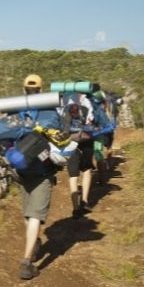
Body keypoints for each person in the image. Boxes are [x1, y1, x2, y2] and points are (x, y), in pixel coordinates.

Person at [13, 73, 61, 280]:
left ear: (24, 90)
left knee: (28, 213)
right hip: (42, 170)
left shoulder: (15, 111)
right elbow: (60, 139)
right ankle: (26, 262)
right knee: (35, 216)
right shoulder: (50, 113)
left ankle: (33, 245)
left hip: (20, 170)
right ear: (42, 91)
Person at [58, 88, 96, 218]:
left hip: (70, 144)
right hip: (86, 143)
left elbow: (61, 129)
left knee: (73, 176)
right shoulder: (85, 107)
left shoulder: (63, 110)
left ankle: (75, 208)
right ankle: (84, 201)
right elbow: (91, 123)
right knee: (86, 171)